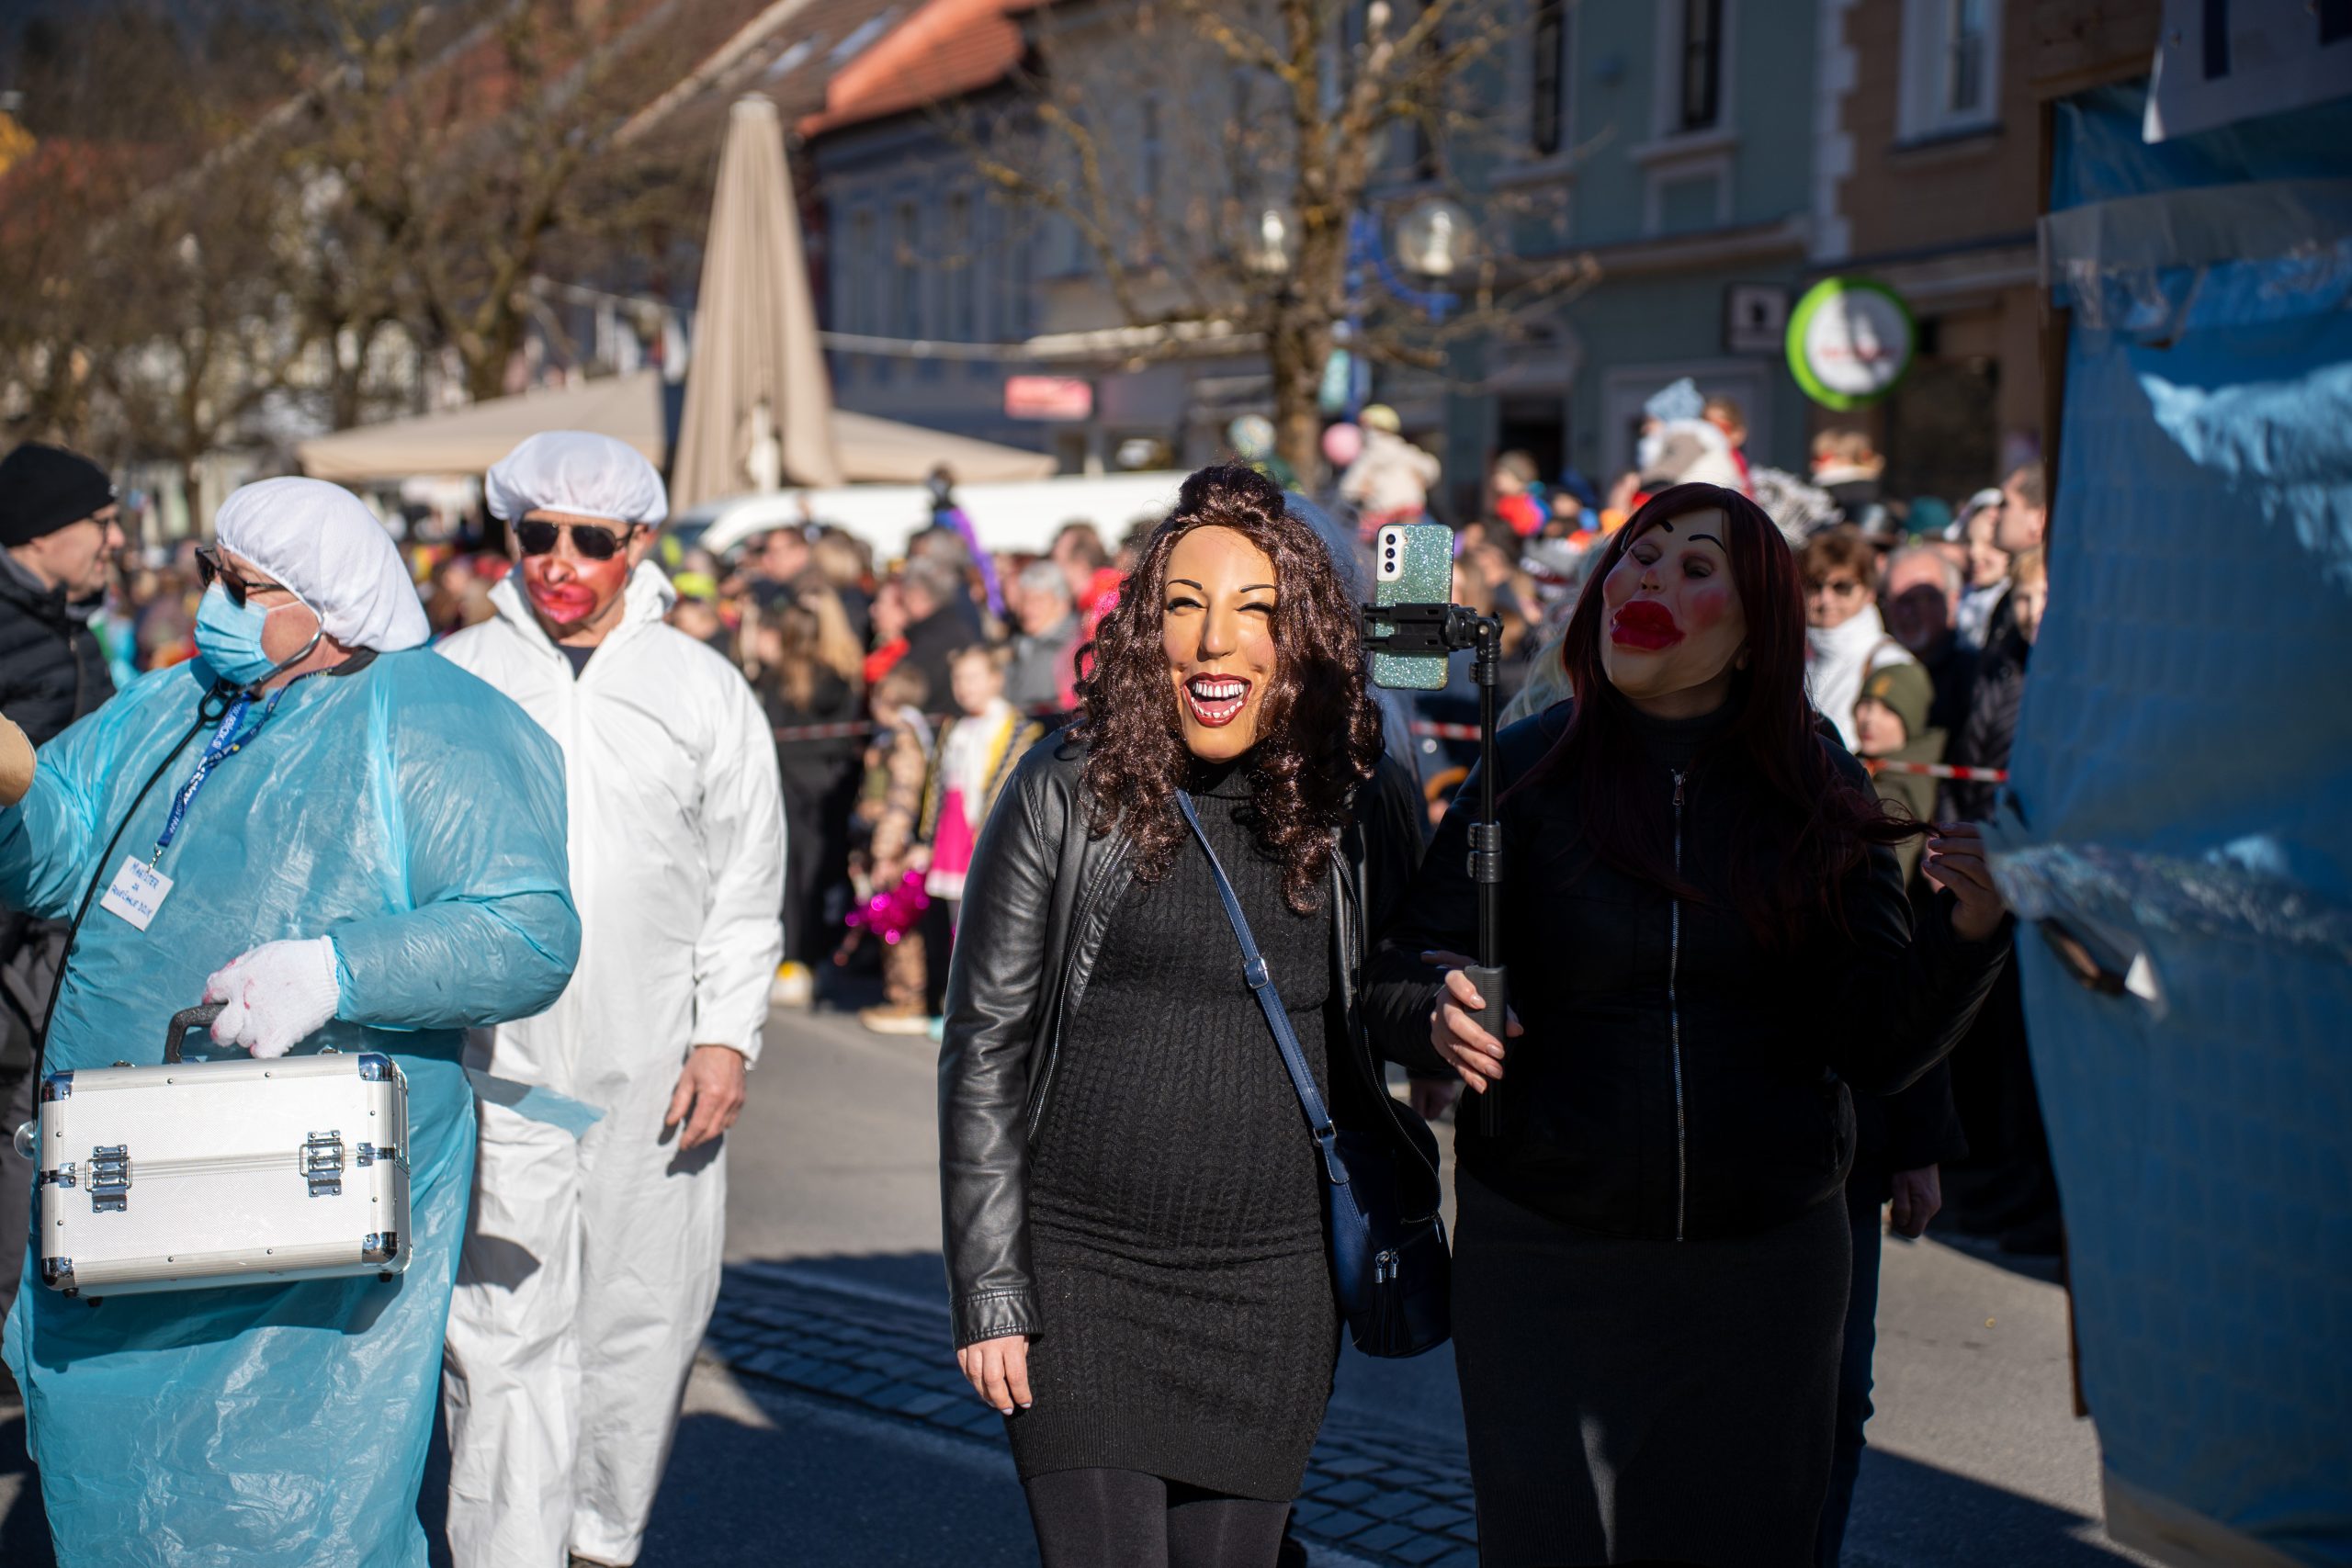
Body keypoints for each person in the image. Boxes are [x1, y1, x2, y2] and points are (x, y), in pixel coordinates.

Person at [1367, 482, 2012, 1568]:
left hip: (1760, 1266)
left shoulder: (1814, 780)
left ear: (1758, 627)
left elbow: (1877, 1040)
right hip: (1544, 1252)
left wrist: (1970, 931)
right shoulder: (1527, 770)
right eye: (1637, 554)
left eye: (1695, 565)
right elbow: (1393, 969)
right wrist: (1434, 1010)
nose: (1649, 576)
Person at [0, 476, 579, 1566]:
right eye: (210, 573)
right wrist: (12, 797)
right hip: (128, 1169)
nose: (211, 600)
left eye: (242, 584)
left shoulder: (435, 722)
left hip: (304, 1176)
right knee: (114, 1464)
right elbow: (66, 844)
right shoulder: (175, 704)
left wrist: (338, 971)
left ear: (328, 605)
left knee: (297, 1482)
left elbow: (527, 932)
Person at [940, 464, 1429, 1568]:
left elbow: (1398, 994)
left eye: (1255, 611)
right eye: (1184, 606)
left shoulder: (1361, 798)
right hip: (1081, 1274)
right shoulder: (1064, 785)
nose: (1214, 643)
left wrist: (1457, 1007)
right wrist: (992, 1286)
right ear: (1141, 625)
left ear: (1307, 634)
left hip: (1272, 1291)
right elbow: (984, 1047)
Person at [436, 432, 787, 1568]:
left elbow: (746, 886)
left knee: (645, 1313)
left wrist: (725, 1038)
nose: (558, 559)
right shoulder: (452, 677)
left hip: (655, 1071)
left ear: (637, 544)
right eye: (536, 533)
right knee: (499, 1327)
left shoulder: (702, 688)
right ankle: (510, 1550)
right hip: (501, 1068)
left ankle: (598, 1536)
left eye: (589, 538)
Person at [0, 442, 123, 1357]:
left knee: (29, 1117)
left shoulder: (68, 624)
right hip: (14, 927)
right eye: (100, 521)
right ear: (43, 530)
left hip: (50, 927)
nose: (115, 540)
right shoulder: (17, 628)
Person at [758, 582, 866, 1010]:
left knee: (793, 880)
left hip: (797, 789)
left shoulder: (789, 677)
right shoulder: (841, 673)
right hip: (825, 789)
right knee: (817, 879)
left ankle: (795, 963)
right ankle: (814, 963)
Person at [853, 661, 937, 1036]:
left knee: (899, 924)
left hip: (896, 846)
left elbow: (902, 800)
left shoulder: (904, 740)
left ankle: (909, 999)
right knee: (888, 920)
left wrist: (885, 852)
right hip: (884, 842)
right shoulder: (893, 736)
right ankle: (898, 995)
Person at [1802, 525, 1914, 753]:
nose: (1826, 599)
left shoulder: (1891, 663)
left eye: (1842, 587)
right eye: (1815, 585)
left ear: (1869, 593)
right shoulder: (1792, 653)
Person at [1880, 542, 1978, 739]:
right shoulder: (1874, 663)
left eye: (1921, 599)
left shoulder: (1973, 677)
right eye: (1897, 601)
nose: (1906, 613)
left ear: (1952, 601)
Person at [898, 555, 976, 717]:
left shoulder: (928, 641)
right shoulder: (957, 627)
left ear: (917, 595)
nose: (901, 603)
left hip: (936, 726)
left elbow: (902, 692)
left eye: (901, 597)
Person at [1005, 558, 1080, 715]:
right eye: (1024, 600)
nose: (1027, 609)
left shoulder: (1076, 644)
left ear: (1062, 604)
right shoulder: (1018, 643)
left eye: (1038, 600)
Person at [1954, 488, 2010, 652]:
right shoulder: (1965, 595)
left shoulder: (2016, 601)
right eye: (1969, 542)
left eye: (1989, 543)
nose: (1974, 553)